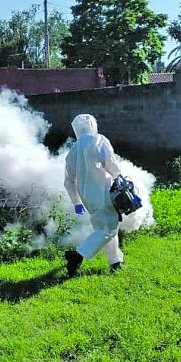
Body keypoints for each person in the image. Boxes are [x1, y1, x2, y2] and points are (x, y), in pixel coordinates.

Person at [63, 113, 138, 277]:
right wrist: (120, 178)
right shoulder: (99, 140)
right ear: (93, 125)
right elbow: (111, 164)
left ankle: (115, 262)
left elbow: (68, 182)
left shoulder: (73, 150)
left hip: (86, 197)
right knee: (108, 229)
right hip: (103, 192)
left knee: (103, 228)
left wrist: (76, 203)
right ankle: (77, 256)